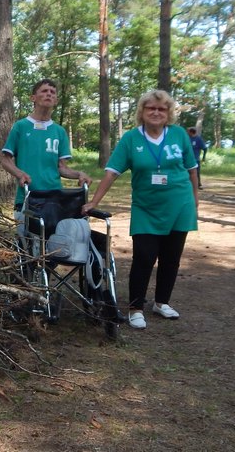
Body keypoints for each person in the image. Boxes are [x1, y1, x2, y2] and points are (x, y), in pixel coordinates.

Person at [82, 90, 198, 330]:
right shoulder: (131, 139)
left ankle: (162, 302)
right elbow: (112, 172)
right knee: (144, 257)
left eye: (161, 109)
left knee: (171, 258)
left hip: (180, 204)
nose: (156, 113)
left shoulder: (178, 135)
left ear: (168, 114)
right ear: (142, 112)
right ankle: (136, 307)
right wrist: (94, 202)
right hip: (147, 208)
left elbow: (192, 170)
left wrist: (195, 201)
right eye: (151, 108)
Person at [1, 79, 92, 211]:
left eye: (52, 92)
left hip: (55, 198)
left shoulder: (59, 131)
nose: (49, 94)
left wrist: (79, 174)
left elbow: (62, 168)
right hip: (27, 197)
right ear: (33, 98)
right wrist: (20, 174)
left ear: (56, 100)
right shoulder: (20, 126)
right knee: (30, 231)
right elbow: (5, 159)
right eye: (44, 91)